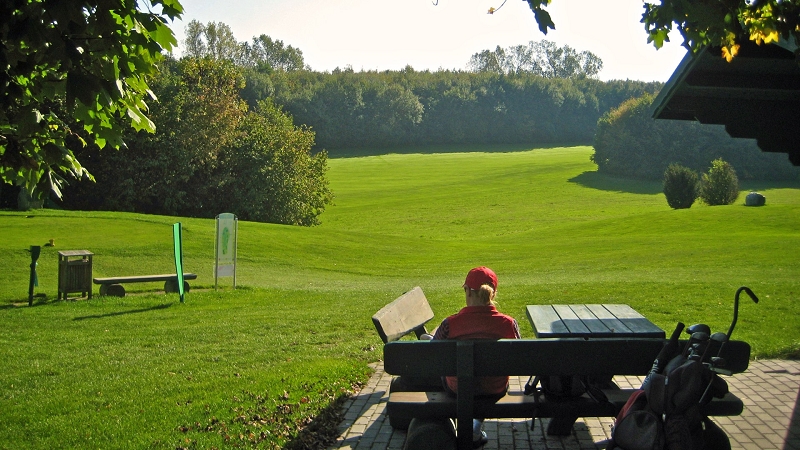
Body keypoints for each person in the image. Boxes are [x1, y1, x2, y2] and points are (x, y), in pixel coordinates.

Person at [431, 266, 521, 448]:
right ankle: (474, 426)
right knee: (485, 379)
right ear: (493, 294)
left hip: (456, 389)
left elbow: (432, 354)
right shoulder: (508, 324)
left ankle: (465, 426)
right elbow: (519, 356)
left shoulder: (450, 324)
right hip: (495, 389)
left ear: (467, 292)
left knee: (448, 373)